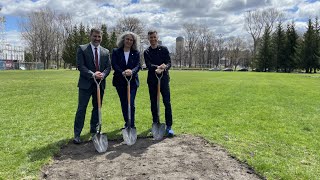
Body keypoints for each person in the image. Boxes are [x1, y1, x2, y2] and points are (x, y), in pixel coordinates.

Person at [73, 28, 111, 144]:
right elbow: (80, 66)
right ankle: (77, 134)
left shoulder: (105, 51)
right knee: (81, 108)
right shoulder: (82, 48)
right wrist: (92, 74)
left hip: (100, 84)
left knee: (97, 108)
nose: (97, 39)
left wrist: (103, 74)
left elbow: (108, 67)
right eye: (95, 36)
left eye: (99, 37)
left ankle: (94, 130)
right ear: (90, 36)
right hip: (86, 84)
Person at [143, 30, 174, 137]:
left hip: (164, 79)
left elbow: (169, 62)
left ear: (157, 37)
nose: (153, 39)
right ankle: (156, 123)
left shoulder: (164, 49)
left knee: (167, 102)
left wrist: (164, 67)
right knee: (154, 103)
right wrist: (158, 67)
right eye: (151, 37)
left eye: (154, 37)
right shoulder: (146, 51)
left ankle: (169, 126)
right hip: (152, 80)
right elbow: (148, 65)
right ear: (148, 39)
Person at [111, 32, 141, 129]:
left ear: (133, 42)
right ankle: (127, 123)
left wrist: (131, 71)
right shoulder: (116, 51)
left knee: (130, 103)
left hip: (132, 82)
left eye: (131, 40)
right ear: (123, 40)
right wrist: (122, 72)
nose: (129, 41)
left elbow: (138, 65)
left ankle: (131, 125)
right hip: (120, 81)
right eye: (127, 39)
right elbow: (114, 64)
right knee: (124, 103)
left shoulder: (136, 53)